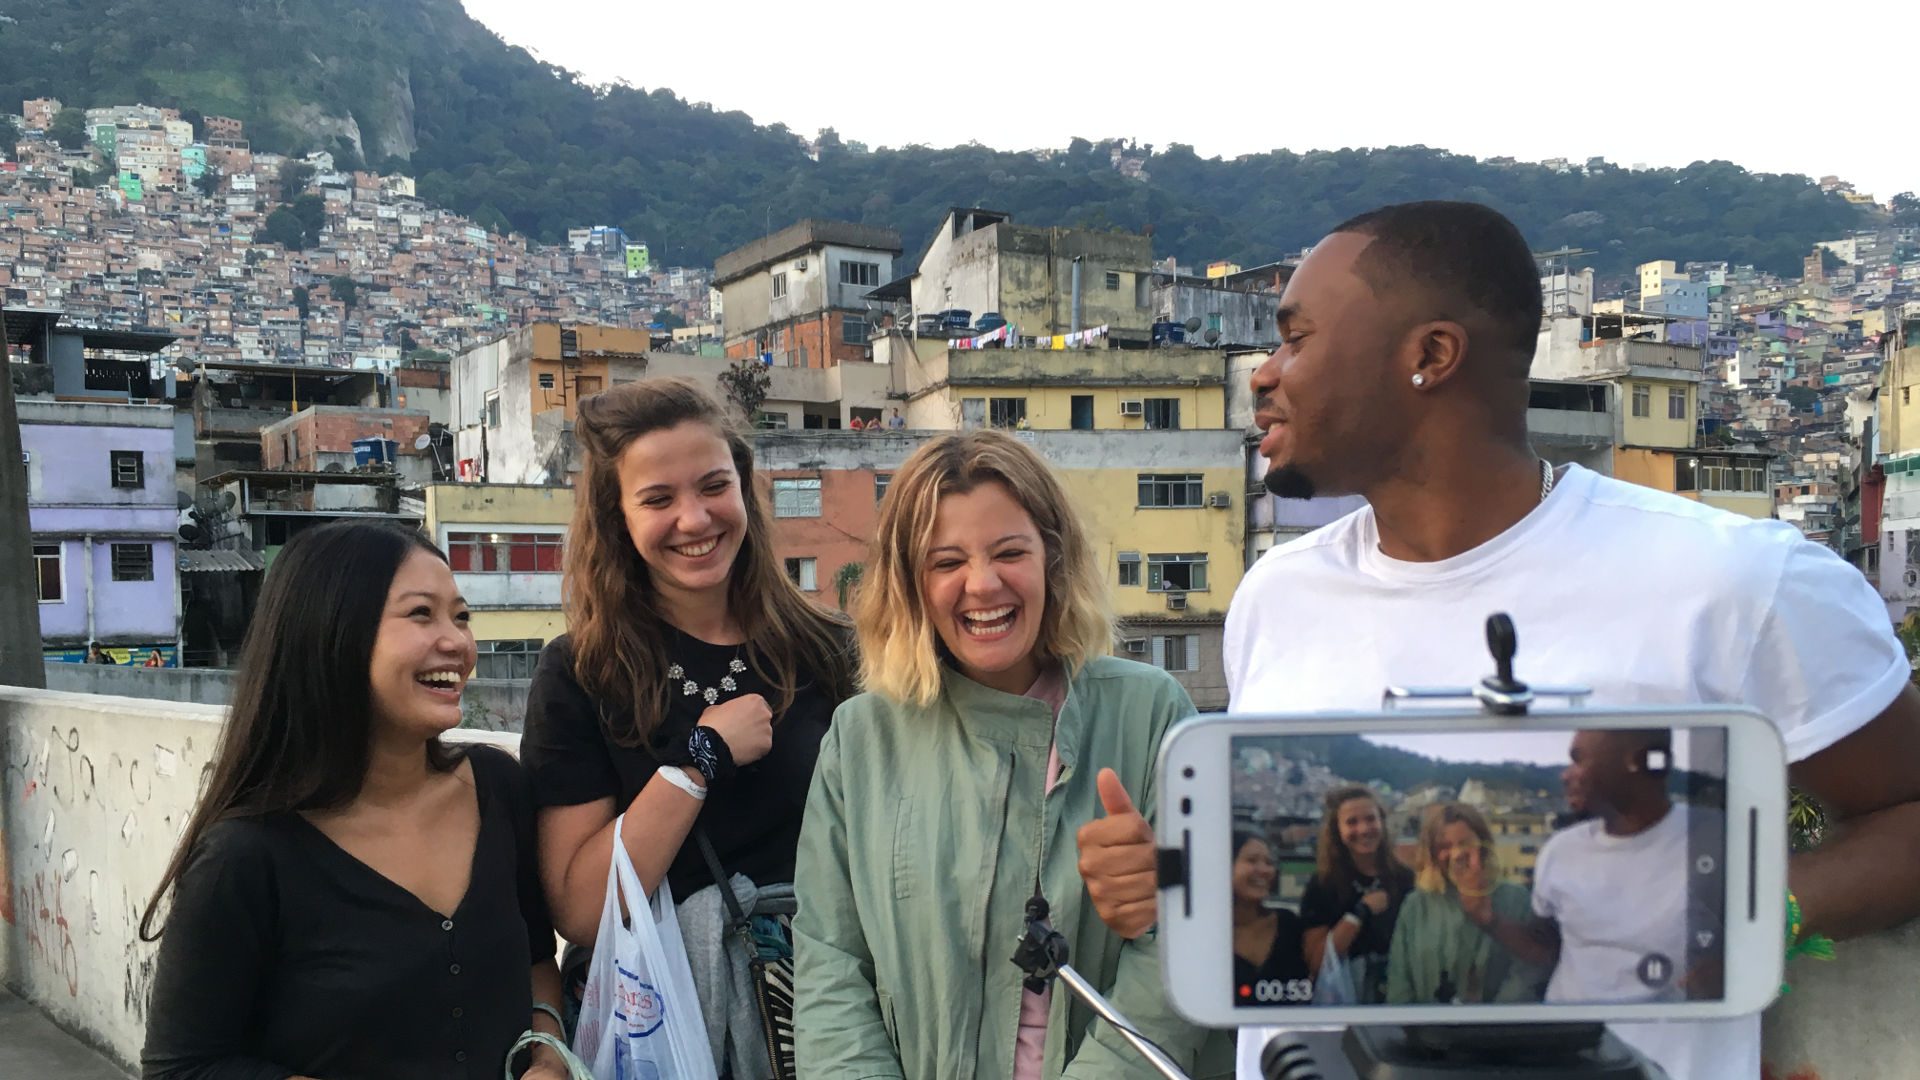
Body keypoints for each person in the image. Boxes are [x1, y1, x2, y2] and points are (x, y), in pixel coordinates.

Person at [1075, 201, 1920, 1080]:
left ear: (1432, 356)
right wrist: (1168, 882)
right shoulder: (1275, 595)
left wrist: (1751, 916)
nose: (1264, 373)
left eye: (1295, 339)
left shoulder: (1735, 579)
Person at [792, 430, 1227, 1079]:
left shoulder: (1150, 714)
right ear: (911, 583)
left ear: (1052, 558)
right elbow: (830, 967)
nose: (983, 584)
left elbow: (1184, 950)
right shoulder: (861, 740)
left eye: (1009, 552)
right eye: (946, 562)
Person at [139, 521, 568, 1080]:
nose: (459, 643)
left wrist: (549, 1051)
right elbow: (181, 1068)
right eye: (422, 614)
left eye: (461, 616)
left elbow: (537, 957)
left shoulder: (497, 786)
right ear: (331, 632)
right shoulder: (245, 855)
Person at [518, 378, 857, 1066]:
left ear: (744, 488)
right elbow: (580, 908)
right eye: (658, 499)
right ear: (617, 517)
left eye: (713, 486)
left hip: (827, 1013)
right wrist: (699, 759)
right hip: (657, 1025)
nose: (695, 519)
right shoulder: (583, 674)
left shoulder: (828, 650)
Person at [1473, 729, 1721, 1003]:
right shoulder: (1561, 850)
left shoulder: (1716, 838)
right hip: (1572, 1026)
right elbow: (1546, 948)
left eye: (1578, 760)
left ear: (1636, 761)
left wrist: (1732, 977)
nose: (1565, 775)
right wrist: (1488, 919)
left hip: (1668, 1028)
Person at [1385, 803, 1546, 1004]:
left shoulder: (1516, 899)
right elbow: (1399, 979)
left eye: (1465, 843)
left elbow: (1526, 973)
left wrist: (1491, 1018)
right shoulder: (1416, 905)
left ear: (1484, 846)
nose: (1456, 854)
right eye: (1445, 846)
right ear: (1432, 852)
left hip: (1500, 1020)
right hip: (1426, 1022)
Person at [1297, 785, 1412, 1003]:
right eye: (1352, 822)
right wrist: (1359, 913)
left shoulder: (1404, 879)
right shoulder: (1323, 885)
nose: (1364, 829)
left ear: (1382, 822)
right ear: (1337, 831)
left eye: (1370, 819)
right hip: (1346, 1003)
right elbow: (1317, 963)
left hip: (1398, 999)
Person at [1230, 832, 1310, 997]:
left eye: (1269, 863)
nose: (1264, 870)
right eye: (1252, 860)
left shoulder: (1289, 924)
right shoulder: (1204, 935)